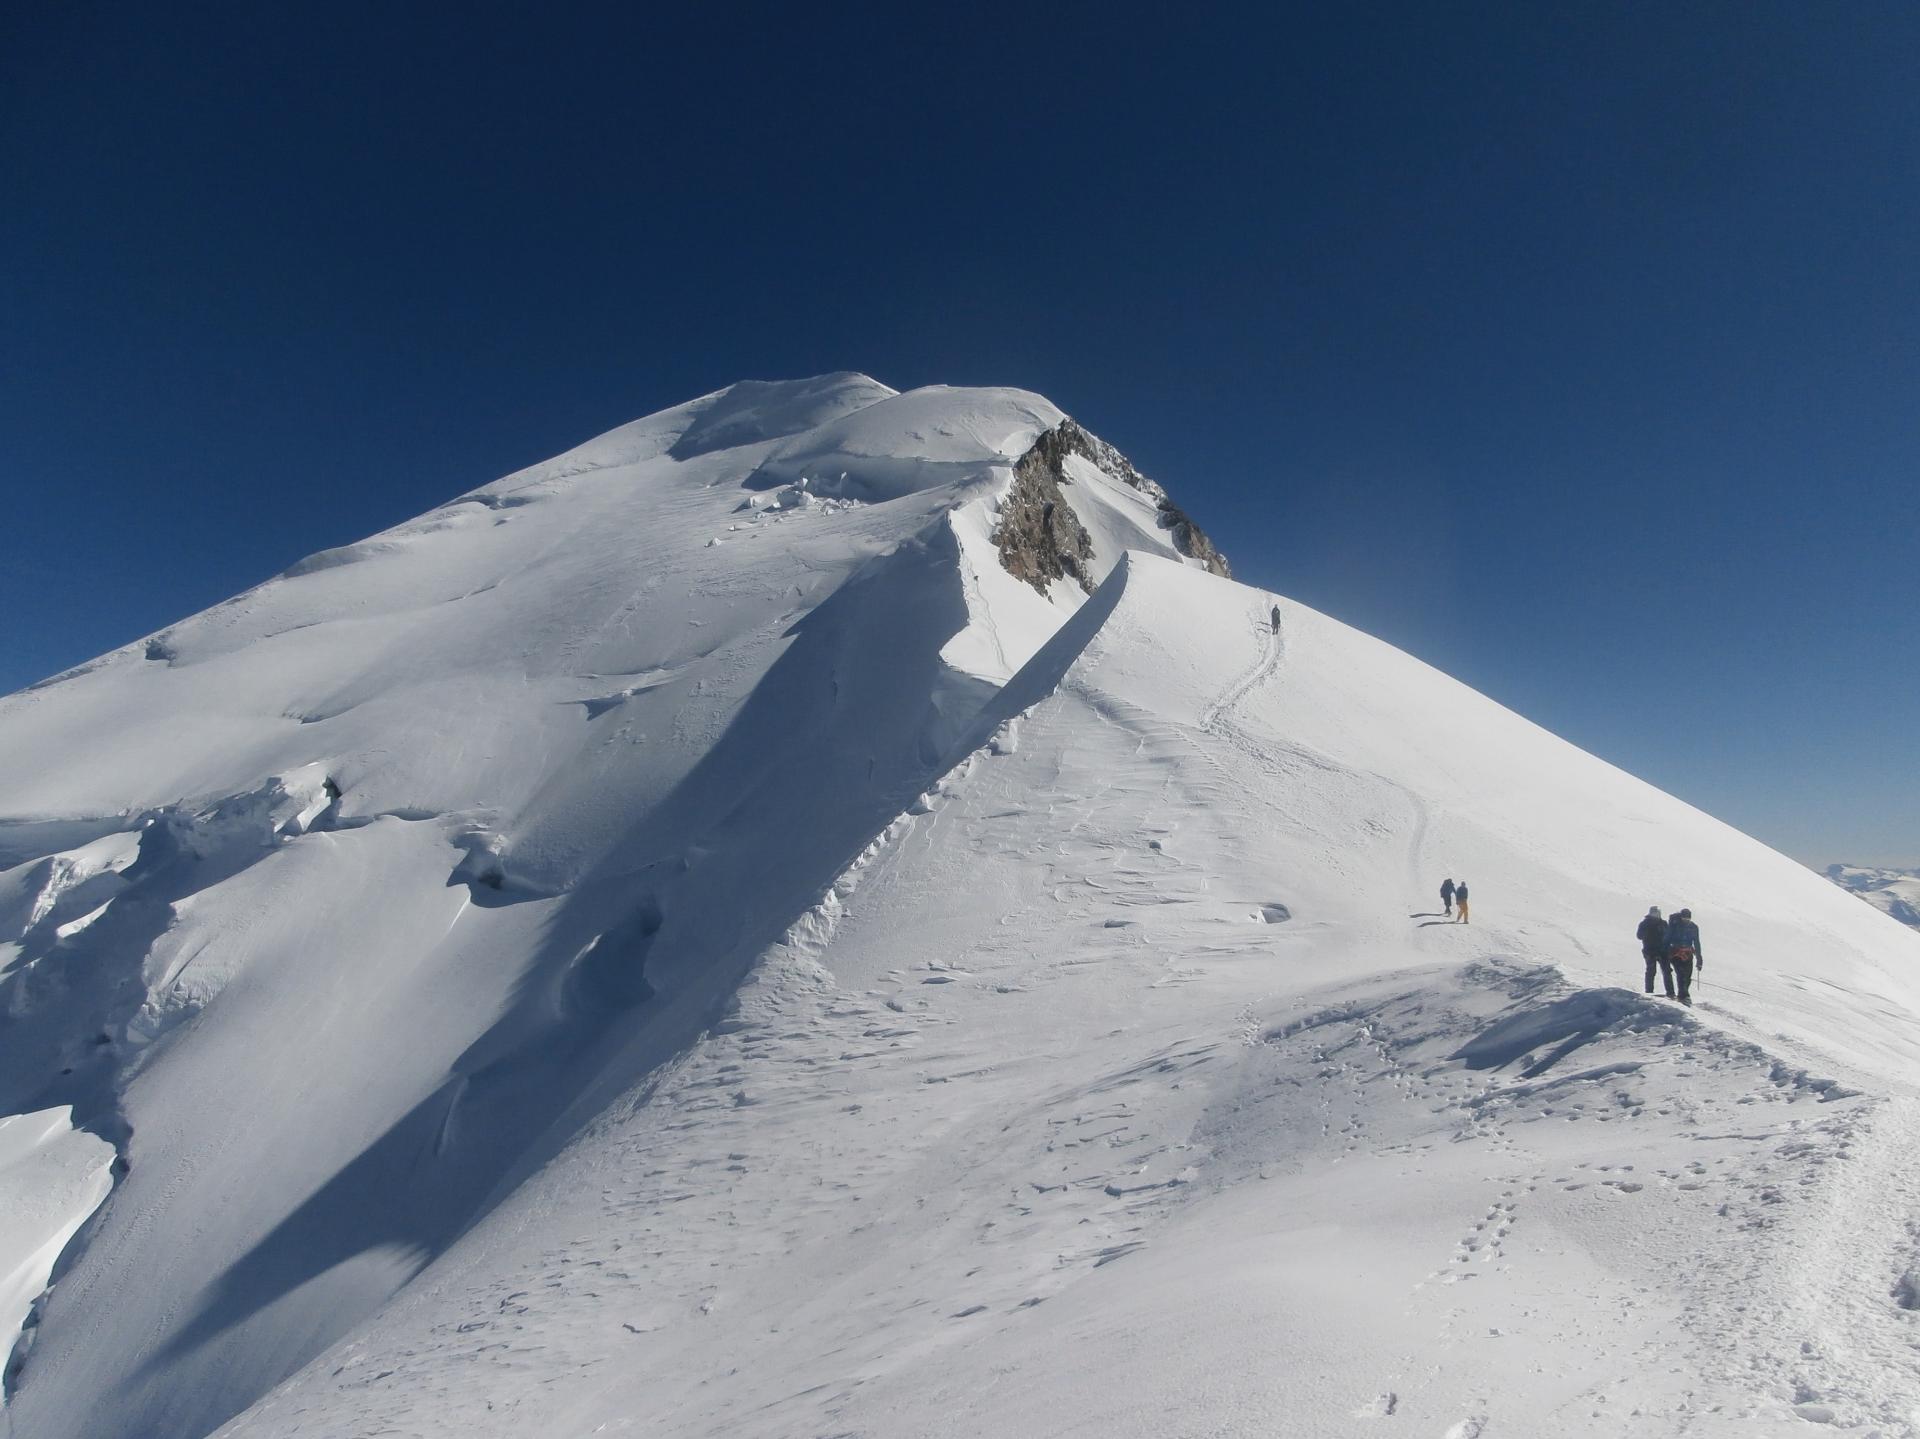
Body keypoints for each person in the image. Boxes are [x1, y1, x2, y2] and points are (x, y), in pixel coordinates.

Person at [1665, 908, 1703, 1006]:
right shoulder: (1674, 925)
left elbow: (1697, 943)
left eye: (1688, 919)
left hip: (1688, 953)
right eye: (1684, 918)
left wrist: (1699, 959)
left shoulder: (1694, 927)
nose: (1686, 920)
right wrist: (1666, 952)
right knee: (1681, 974)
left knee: (1687, 976)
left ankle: (1682, 993)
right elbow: (1667, 938)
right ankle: (1684, 996)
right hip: (1675, 953)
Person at [1636, 905, 1673, 997]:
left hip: (1663, 951)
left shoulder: (1663, 923)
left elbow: (1669, 936)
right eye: (1654, 913)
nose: (1656, 915)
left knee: (1667, 971)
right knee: (1651, 971)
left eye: (1657, 913)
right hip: (1650, 951)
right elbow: (1639, 936)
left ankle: (1670, 992)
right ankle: (1649, 992)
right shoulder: (1644, 923)